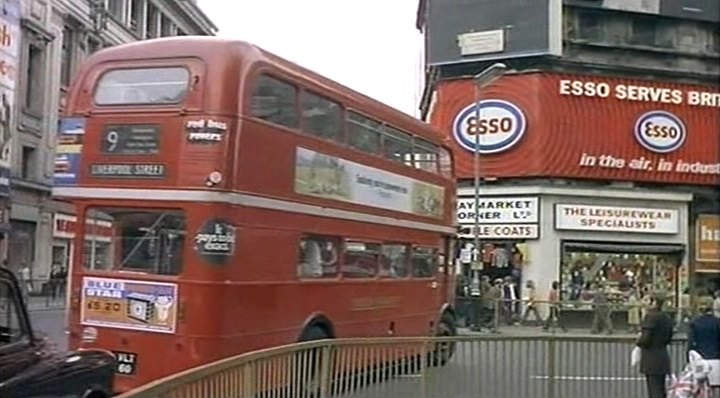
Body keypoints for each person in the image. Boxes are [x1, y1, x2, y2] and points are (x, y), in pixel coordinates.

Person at [636, 291, 674, 398]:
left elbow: (646, 339)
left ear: (654, 302)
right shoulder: (666, 317)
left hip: (651, 357)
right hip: (662, 355)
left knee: (654, 389)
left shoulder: (651, 317)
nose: (645, 303)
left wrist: (639, 341)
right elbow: (669, 337)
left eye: (647, 300)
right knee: (661, 389)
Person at [688, 297, 720, 396]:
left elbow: (691, 344)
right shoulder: (717, 322)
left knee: (700, 388)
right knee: (715, 387)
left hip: (700, 360)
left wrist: (689, 361)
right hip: (716, 359)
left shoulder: (695, 323)